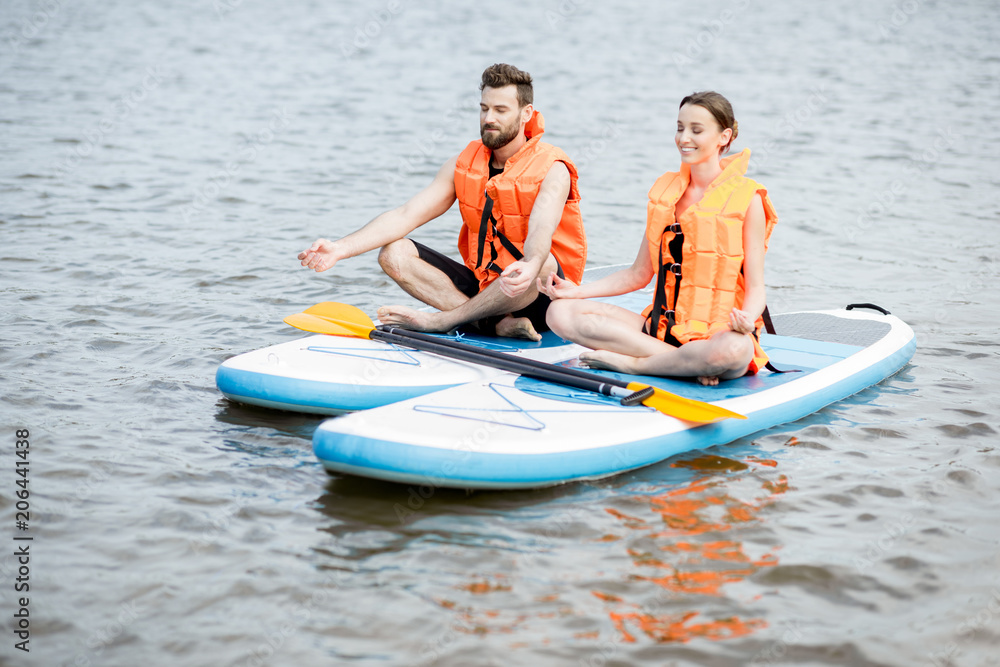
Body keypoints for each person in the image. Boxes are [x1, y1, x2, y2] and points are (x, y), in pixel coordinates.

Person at [298, 63, 587, 341]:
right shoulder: (462, 164)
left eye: (501, 110)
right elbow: (406, 214)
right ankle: (494, 325)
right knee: (394, 252)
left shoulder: (553, 168)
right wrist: (340, 248)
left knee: (543, 263)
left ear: (526, 114)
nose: (489, 118)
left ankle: (443, 320)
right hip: (485, 290)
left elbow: (541, 230)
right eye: (484, 108)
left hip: (538, 294)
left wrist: (532, 262)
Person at [538, 91, 778, 386]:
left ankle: (635, 366)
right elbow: (638, 274)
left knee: (732, 350)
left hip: (718, 336)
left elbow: (756, 287)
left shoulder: (748, 199)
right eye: (680, 128)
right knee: (559, 313)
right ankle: (683, 364)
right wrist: (575, 291)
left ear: (724, 137)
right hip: (661, 330)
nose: (684, 138)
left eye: (696, 130)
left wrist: (746, 318)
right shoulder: (666, 194)